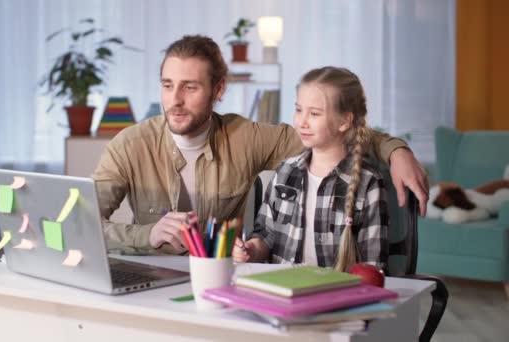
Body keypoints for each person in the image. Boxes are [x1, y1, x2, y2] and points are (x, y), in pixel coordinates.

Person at [92, 35, 428, 255]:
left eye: (189, 87)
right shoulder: (129, 145)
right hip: (153, 282)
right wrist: (145, 235)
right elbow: (82, 222)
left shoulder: (246, 136)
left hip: (224, 283)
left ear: (218, 89)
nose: (174, 100)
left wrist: (395, 150)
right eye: (168, 85)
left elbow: (333, 133)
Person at [233, 67, 388, 271]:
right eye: (298, 110)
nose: (301, 122)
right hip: (282, 291)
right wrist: (251, 250)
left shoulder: (369, 184)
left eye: (314, 113)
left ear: (344, 121)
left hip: (336, 297)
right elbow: (266, 235)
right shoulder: (285, 171)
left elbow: (373, 267)